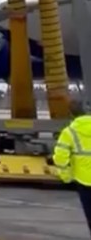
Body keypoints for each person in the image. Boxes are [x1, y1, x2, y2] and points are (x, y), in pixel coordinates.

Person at [54, 101, 91, 236]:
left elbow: (60, 157)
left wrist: (66, 176)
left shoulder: (69, 132)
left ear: (71, 115)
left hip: (84, 181)